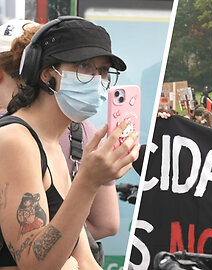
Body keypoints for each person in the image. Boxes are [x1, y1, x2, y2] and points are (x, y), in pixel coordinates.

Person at [0, 16, 139, 270]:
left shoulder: (51, 143)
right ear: (46, 74)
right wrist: (88, 181)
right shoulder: (15, 140)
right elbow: (33, 264)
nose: (97, 80)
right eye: (85, 66)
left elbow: (84, 260)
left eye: (104, 71)